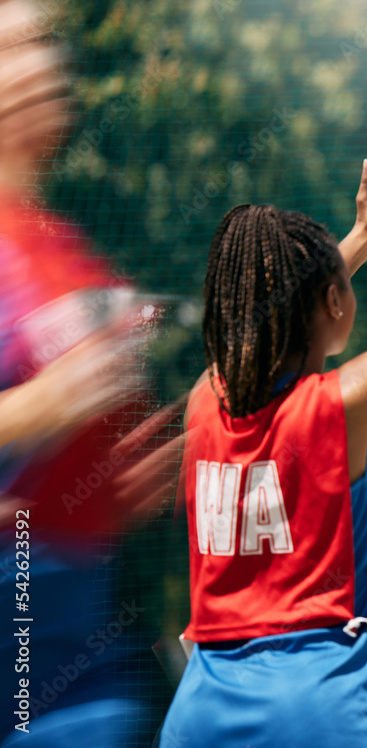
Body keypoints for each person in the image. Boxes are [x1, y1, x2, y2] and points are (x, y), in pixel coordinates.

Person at [158, 149, 367, 747]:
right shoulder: (335, 406)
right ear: (335, 303)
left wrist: (362, 240)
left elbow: (270, 321)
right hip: (318, 696)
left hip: (203, 703)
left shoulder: (203, 401)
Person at [0, 1, 178, 744]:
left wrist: (120, 480)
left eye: (43, 43)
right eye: (11, 49)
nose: (42, 66)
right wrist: (50, 403)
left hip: (82, 616)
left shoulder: (58, 245)